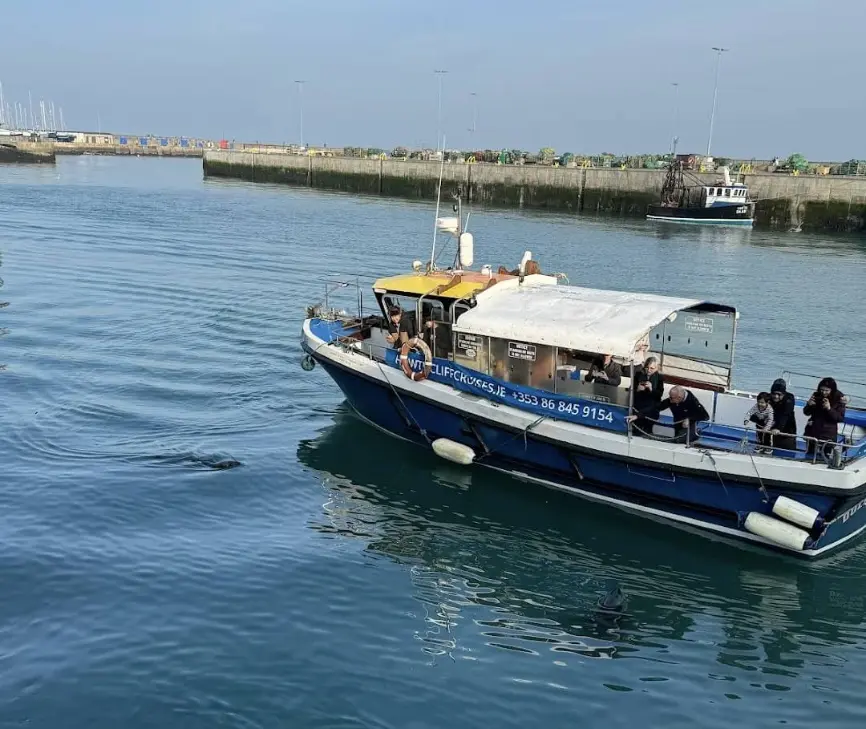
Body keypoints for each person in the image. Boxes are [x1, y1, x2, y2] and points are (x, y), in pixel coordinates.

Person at [629, 385, 709, 444]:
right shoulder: (672, 400)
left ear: (679, 397)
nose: (669, 400)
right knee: (676, 440)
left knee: (679, 441)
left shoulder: (692, 402)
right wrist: (638, 415)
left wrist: (689, 419)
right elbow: (656, 407)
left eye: (672, 398)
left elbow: (705, 416)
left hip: (688, 427)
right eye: (669, 397)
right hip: (678, 425)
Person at [803, 377, 846, 458]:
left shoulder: (839, 399)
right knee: (809, 455)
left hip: (828, 434)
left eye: (827, 390)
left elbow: (840, 418)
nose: (823, 392)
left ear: (832, 390)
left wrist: (829, 409)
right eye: (822, 390)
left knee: (825, 457)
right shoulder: (816, 395)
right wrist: (809, 405)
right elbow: (806, 412)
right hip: (813, 431)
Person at [631, 356, 664, 437]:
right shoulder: (638, 375)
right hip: (639, 404)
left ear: (656, 368)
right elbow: (631, 390)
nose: (649, 370)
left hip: (651, 407)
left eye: (652, 368)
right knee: (637, 429)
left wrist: (651, 389)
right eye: (647, 368)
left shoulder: (659, 377)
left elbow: (659, 394)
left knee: (647, 428)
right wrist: (637, 390)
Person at [768, 378, 798, 453]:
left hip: (787, 431)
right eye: (774, 394)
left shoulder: (789, 398)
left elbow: (785, 414)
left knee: (787, 451)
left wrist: (778, 428)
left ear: (784, 394)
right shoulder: (769, 398)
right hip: (772, 430)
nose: (776, 396)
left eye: (779, 394)